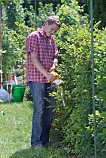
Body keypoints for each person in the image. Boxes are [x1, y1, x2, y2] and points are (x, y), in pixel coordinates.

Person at [25, 16, 61, 148]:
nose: (52, 32)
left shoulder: (51, 39)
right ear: (46, 23)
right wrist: (46, 73)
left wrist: (53, 66)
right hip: (37, 78)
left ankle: (45, 140)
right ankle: (36, 142)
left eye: (54, 31)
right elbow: (33, 59)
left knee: (50, 109)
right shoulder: (34, 36)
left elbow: (55, 56)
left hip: (49, 78)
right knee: (39, 109)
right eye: (51, 29)